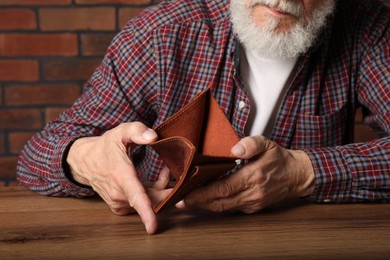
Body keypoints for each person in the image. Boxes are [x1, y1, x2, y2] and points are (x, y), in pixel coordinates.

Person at [17, 0, 389, 235]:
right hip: (161, 239)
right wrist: (85, 159)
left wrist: (303, 172)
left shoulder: (370, 31)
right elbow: (37, 156)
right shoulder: (161, 34)